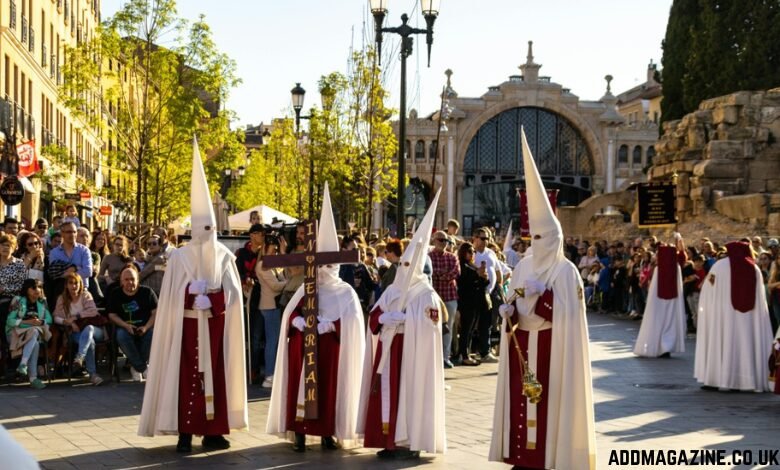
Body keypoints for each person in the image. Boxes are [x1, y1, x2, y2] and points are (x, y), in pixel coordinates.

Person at [491, 129, 595, 469]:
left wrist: (545, 297)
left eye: (543, 236)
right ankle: (523, 457)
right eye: (533, 236)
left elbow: (568, 315)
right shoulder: (522, 267)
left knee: (549, 402)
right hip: (523, 343)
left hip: (553, 349)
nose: (538, 242)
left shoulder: (567, 272)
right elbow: (513, 298)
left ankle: (550, 457)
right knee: (522, 400)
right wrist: (508, 311)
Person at [139, 138, 248, 452]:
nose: (207, 235)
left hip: (215, 329)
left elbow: (234, 297)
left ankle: (213, 431)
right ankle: (184, 431)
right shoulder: (180, 258)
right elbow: (170, 296)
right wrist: (189, 296)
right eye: (202, 228)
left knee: (216, 376)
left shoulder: (225, 257)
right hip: (185, 329)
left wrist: (212, 301)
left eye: (210, 228)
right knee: (184, 376)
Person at [267, 183, 366, 452]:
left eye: (329, 264)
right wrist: (297, 321)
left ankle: (326, 433)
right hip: (303, 345)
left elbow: (353, 323)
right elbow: (292, 311)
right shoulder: (308, 285)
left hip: (329, 349)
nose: (324, 269)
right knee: (300, 384)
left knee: (328, 390)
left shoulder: (345, 292)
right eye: (321, 263)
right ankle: (299, 432)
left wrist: (330, 326)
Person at [357, 190, 446, 460]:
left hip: (412, 354)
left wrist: (408, 322)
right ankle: (388, 440)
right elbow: (374, 315)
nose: (405, 268)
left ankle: (412, 440)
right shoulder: (394, 289)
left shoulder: (426, 293)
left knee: (411, 394)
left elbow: (432, 327)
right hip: (390, 350)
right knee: (388, 396)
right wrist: (384, 318)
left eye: (409, 264)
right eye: (402, 263)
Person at [695, 241, 774, 392]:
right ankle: (745, 381)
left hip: (723, 316)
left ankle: (716, 379)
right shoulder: (754, 268)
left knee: (721, 343)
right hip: (749, 319)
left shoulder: (719, 266)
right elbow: (761, 298)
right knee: (745, 343)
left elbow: (708, 288)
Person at [53, 273, 106, 386]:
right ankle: (93, 375)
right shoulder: (62, 299)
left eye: (76, 283)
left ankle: (80, 356)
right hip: (75, 332)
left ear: (80, 284)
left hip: (95, 330)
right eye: (71, 283)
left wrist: (76, 317)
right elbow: (56, 317)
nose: (74, 286)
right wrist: (69, 322)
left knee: (89, 329)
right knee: (89, 342)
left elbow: (93, 311)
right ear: (66, 285)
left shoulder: (85, 295)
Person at [633, 245, 686, 358]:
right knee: (670, 321)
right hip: (673, 300)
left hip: (658, 301)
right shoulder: (676, 267)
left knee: (658, 322)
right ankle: (666, 347)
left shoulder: (658, 269)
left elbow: (653, 288)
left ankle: (658, 346)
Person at [107, 265, 156, 382]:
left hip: (145, 327)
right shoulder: (115, 294)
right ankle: (143, 368)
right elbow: (112, 315)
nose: (130, 282)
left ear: (138, 280)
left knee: (151, 334)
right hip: (125, 328)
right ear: (121, 281)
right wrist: (126, 325)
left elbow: (156, 312)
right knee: (121, 335)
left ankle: (136, 367)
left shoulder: (147, 292)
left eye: (133, 279)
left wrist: (146, 327)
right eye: (126, 279)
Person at [255, 236, 288, 389]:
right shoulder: (262, 265)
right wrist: (291, 282)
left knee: (273, 342)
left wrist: (282, 253)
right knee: (271, 342)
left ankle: (272, 374)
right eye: (273, 249)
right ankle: (269, 375)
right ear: (265, 249)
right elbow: (275, 285)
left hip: (274, 306)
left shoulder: (273, 265)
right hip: (269, 306)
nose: (274, 252)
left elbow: (285, 275)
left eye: (276, 250)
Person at [5, 279, 51, 389]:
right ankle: (32, 377)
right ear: (27, 289)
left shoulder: (42, 302)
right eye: (34, 288)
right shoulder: (18, 300)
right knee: (34, 334)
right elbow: (10, 321)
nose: (37, 290)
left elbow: (49, 319)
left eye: (39, 287)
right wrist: (27, 322)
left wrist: (41, 322)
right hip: (15, 334)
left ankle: (24, 366)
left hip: (32, 334)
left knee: (34, 337)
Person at [235, 223, 265, 383]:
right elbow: (237, 273)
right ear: (252, 235)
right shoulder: (241, 253)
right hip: (245, 299)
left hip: (262, 298)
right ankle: (244, 368)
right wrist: (245, 280)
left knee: (257, 335)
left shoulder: (266, 252)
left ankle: (254, 369)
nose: (263, 237)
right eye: (260, 233)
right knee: (244, 334)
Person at [456, 241, 489, 366]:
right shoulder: (462, 266)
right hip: (466, 302)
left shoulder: (473, 266)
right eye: (469, 251)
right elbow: (464, 283)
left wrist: (484, 278)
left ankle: (465, 353)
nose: (472, 254)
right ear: (463, 252)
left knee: (470, 330)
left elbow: (481, 285)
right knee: (465, 329)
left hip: (476, 302)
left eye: (473, 251)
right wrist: (477, 275)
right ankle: (464, 355)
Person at [430, 231, 460, 368]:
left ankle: (445, 356)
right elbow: (429, 273)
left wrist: (440, 274)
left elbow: (455, 272)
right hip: (434, 298)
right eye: (441, 240)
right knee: (433, 326)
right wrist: (443, 273)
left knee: (448, 327)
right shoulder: (428, 257)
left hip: (449, 296)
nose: (444, 243)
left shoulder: (452, 257)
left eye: (446, 241)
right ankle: (433, 356)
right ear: (434, 240)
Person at [47, 221, 92, 302]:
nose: (72, 234)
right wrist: (77, 267)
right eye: (69, 232)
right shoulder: (54, 252)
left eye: (74, 232)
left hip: (81, 290)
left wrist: (68, 272)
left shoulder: (84, 250)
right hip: (61, 290)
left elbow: (88, 272)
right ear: (62, 233)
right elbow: (55, 273)